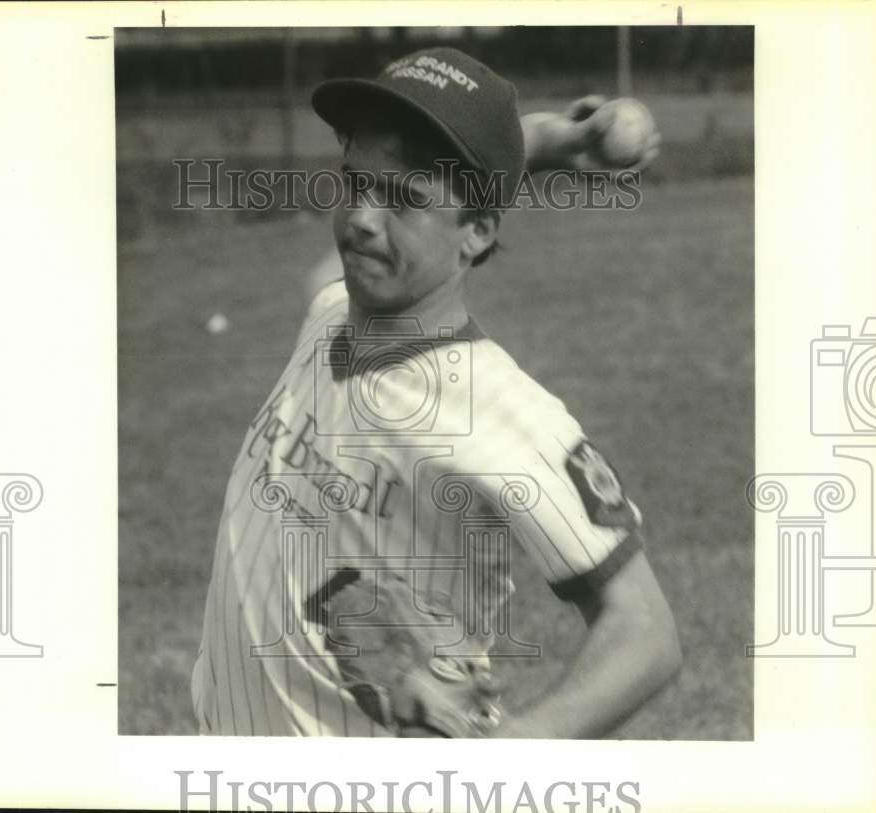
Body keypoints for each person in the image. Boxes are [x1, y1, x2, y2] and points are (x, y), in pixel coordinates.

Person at [192, 46, 680, 738]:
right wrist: (543, 142)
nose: (362, 218)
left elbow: (646, 632)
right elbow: (380, 239)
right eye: (355, 181)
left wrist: (508, 757)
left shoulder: (501, 412)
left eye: (404, 199)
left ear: (477, 232)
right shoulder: (329, 312)